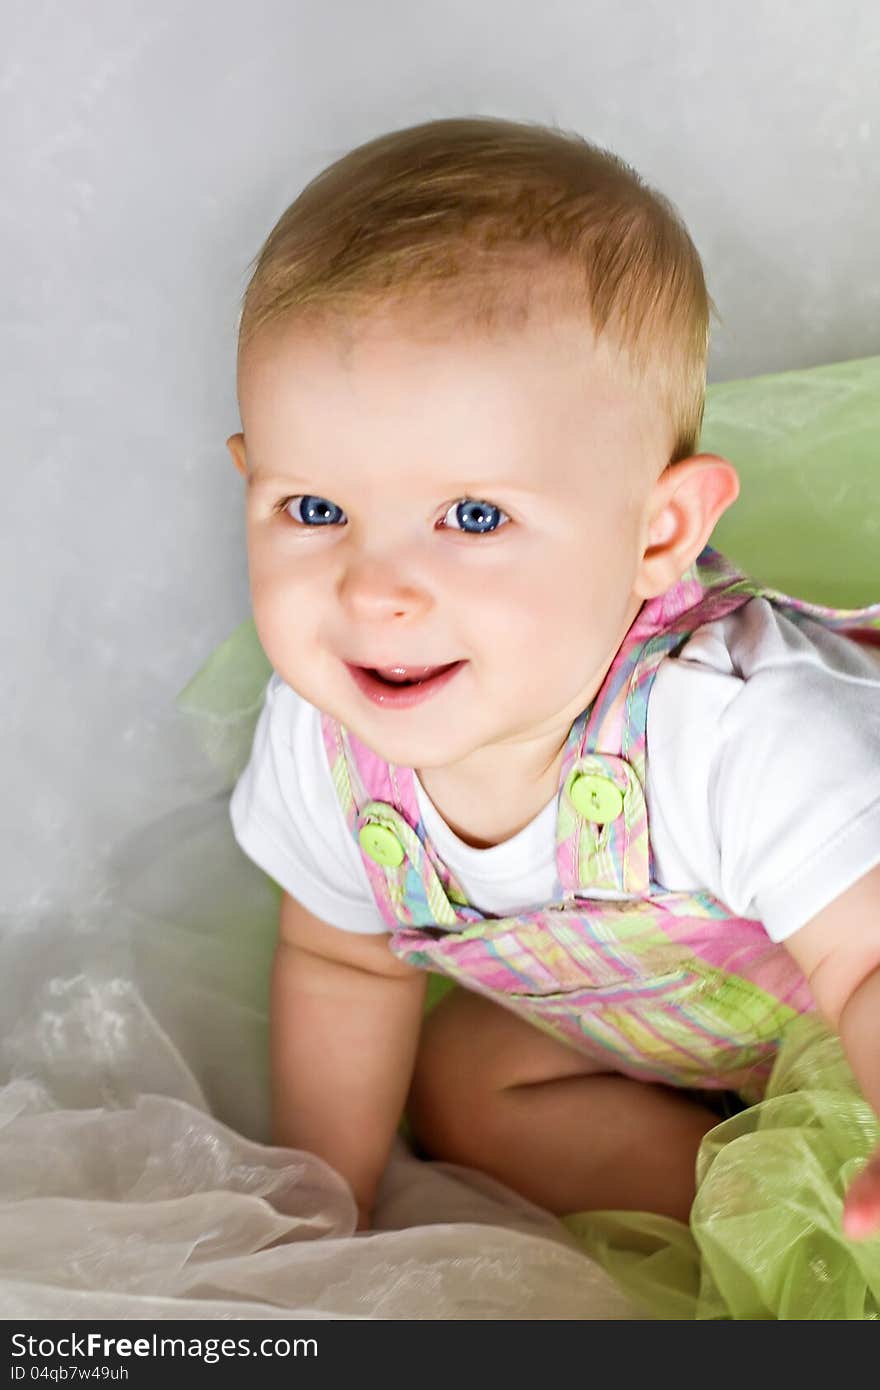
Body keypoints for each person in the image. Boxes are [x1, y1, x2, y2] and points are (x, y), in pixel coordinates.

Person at [225, 116, 880, 1237]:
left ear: (656, 532)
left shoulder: (731, 721)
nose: (373, 590)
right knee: (456, 1081)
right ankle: (763, 1212)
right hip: (693, 1037)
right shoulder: (324, 742)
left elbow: (865, 962)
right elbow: (343, 963)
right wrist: (315, 1221)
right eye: (314, 508)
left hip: (851, 993)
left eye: (472, 517)